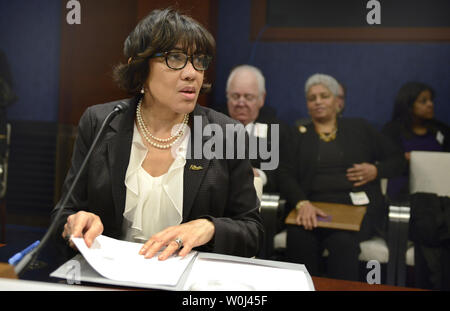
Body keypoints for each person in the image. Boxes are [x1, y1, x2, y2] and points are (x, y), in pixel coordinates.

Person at [51, 8, 263, 262]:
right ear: (140, 70)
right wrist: (76, 223)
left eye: (200, 60)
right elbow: (64, 214)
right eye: (175, 58)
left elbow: (253, 232)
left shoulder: (226, 134)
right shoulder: (100, 122)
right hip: (109, 275)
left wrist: (209, 228)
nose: (191, 73)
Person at [279, 73, 406, 281]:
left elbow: (398, 160)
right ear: (307, 104)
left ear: (337, 100)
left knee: (343, 242)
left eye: (324, 96)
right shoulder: (296, 134)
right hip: (309, 210)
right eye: (312, 98)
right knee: (300, 240)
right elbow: (284, 174)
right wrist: (302, 203)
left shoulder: (360, 129)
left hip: (354, 210)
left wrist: (376, 170)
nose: (318, 101)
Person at [226, 64, 292, 193]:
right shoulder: (211, 126)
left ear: (262, 99)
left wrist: (259, 176)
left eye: (248, 97)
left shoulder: (278, 130)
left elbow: (285, 173)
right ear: (227, 97)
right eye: (235, 96)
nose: (241, 103)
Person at [382, 82, 450, 202]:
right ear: (408, 105)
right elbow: (386, 162)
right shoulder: (392, 130)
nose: (430, 104)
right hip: (401, 194)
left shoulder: (442, 130)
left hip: (440, 194)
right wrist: (403, 159)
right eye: (423, 101)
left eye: (431, 100)